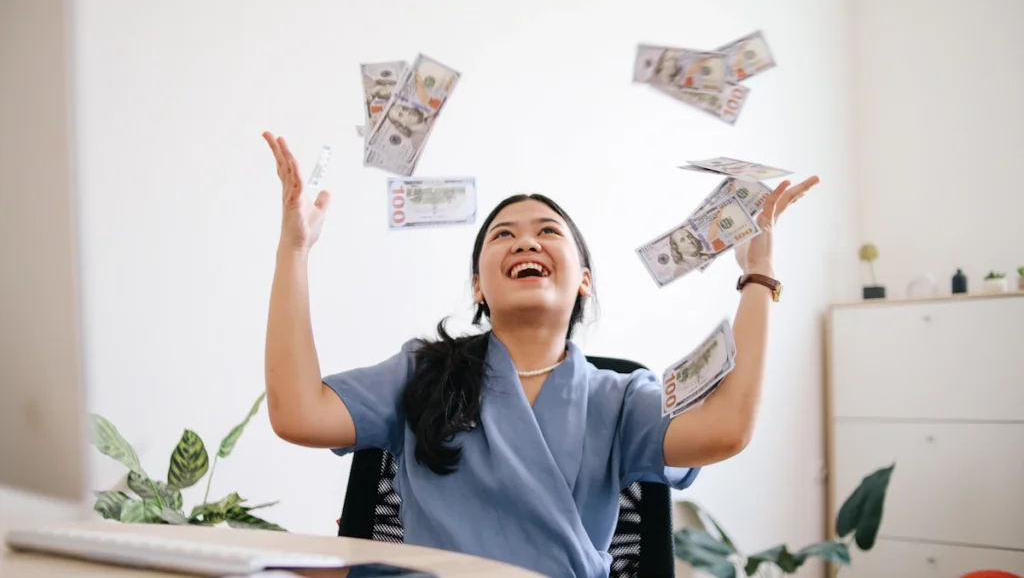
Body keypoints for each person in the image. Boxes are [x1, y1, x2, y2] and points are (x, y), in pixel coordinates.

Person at [261, 132, 820, 578]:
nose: (525, 241)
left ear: (584, 280)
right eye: (502, 235)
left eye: (548, 231)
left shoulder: (622, 399)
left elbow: (727, 428)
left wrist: (758, 274)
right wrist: (295, 250)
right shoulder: (420, 372)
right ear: (478, 287)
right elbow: (297, 413)